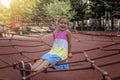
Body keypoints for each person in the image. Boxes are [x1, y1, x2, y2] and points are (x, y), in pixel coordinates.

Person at [19, 15, 73, 80]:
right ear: (58, 24)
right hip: (54, 51)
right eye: (61, 23)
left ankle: (32, 72)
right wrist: (53, 49)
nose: (63, 25)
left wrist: (69, 52)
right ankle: (28, 70)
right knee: (42, 59)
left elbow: (69, 43)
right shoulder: (55, 32)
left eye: (65, 23)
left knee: (47, 61)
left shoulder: (67, 32)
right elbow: (55, 41)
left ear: (67, 25)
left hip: (61, 53)